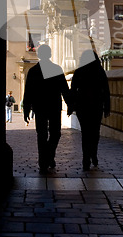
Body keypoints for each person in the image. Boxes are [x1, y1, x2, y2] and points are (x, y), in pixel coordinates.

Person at [23, 44, 71, 173]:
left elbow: (28, 92)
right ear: (49, 55)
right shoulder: (56, 69)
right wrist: (70, 105)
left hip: (39, 107)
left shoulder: (33, 71)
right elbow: (65, 90)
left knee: (42, 134)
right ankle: (49, 156)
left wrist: (26, 109)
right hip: (54, 106)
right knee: (55, 133)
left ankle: (44, 159)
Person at [71, 49, 110, 171]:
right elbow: (106, 91)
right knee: (95, 132)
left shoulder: (79, 72)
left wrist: (71, 106)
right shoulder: (99, 72)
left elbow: (73, 91)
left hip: (82, 107)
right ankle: (93, 154)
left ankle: (86, 159)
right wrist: (107, 107)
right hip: (96, 106)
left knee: (85, 133)